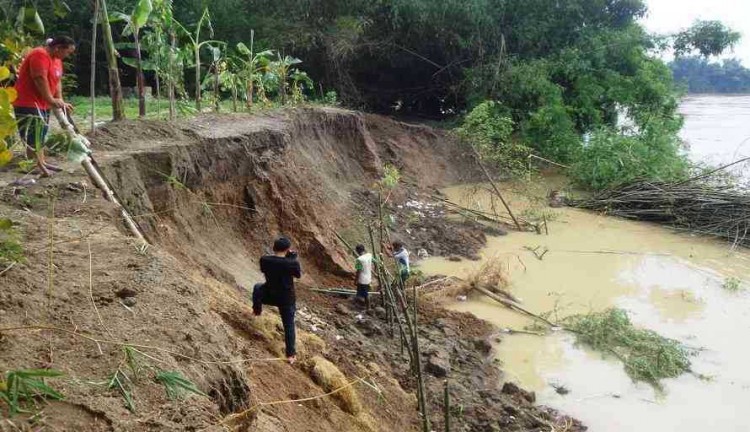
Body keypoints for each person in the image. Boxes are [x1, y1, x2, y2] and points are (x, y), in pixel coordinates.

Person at [13, 36, 76, 177]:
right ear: (58, 47)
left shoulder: (57, 60)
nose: (68, 56)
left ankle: (41, 162)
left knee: (41, 134)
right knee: (32, 135)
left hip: (43, 104)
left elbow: (57, 80)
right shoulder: (39, 54)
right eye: (67, 52)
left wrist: (59, 99)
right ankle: (33, 165)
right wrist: (50, 98)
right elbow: (39, 78)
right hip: (28, 102)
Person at [252, 237, 301, 364]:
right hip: (286, 299)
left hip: (270, 295)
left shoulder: (264, 260)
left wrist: (287, 258)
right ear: (287, 249)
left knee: (257, 287)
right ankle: (291, 355)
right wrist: (292, 258)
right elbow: (297, 275)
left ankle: (256, 311)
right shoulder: (292, 263)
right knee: (289, 326)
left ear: (274, 248)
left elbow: (265, 269)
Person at [354, 244, 373, 309]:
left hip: (362, 279)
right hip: (368, 277)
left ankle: (368, 308)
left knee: (365, 294)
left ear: (358, 251)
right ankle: (362, 305)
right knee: (362, 292)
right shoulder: (369, 255)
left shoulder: (359, 259)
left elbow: (358, 271)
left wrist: (355, 280)